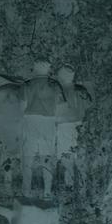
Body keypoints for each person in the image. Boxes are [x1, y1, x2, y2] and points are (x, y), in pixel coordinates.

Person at [20, 59, 65, 200]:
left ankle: (26, 190)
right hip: (48, 121)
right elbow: (62, 105)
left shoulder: (27, 84)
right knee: (47, 155)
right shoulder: (55, 85)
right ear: (48, 69)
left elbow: (22, 106)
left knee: (28, 155)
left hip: (31, 120)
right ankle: (47, 191)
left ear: (34, 69)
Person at [55, 64, 92, 192]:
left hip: (65, 126)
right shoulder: (81, 89)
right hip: (80, 126)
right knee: (80, 153)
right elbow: (89, 105)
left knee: (66, 154)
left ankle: (70, 183)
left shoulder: (59, 91)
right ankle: (82, 182)